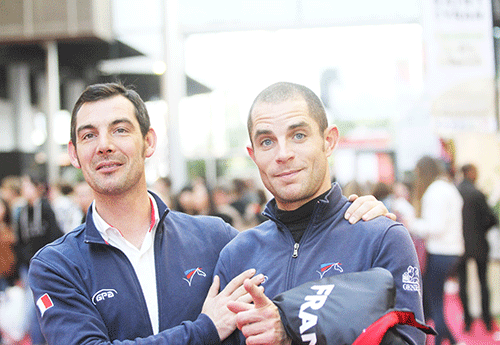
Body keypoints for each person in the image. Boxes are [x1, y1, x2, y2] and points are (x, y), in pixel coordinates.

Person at [27, 82, 390, 345]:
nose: (104, 145)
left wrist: (352, 218)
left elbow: (295, 258)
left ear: (148, 141)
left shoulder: (215, 238)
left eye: (119, 129)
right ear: (74, 153)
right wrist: (205, 329)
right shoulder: (56, 264)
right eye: (89, 136)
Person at [214, 82, 426, 345]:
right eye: (267, 141)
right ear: (253, 155)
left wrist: (293, 331)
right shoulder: (237, 254)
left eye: (299, 135)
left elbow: (409, 340)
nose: (284, 154)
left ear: (329, 141)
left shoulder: (380, 236)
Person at [405, 156, 465, 345]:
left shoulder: (435, 191)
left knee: (435, 301)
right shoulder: (447, 188)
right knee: (435, 301)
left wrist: (412, 224)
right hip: (451, 250)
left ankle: (445, 341)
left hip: (440, 251)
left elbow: (435, 227)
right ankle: (450, 340)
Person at [457, 163, 497, 332]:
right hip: (479, 243)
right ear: (470, 173)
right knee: (483, 282)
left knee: (463, 283)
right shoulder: (477, 193)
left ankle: (467, 321)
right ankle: (487, 320)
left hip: (459, 244)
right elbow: (492, 219)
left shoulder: (455, 192)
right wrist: (481, 230)